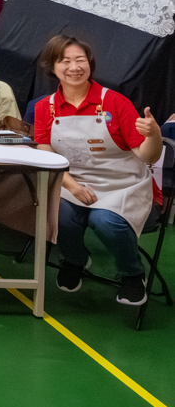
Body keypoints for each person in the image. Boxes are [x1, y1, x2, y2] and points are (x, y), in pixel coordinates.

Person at [33, 36, 162, 305]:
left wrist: (154, 135)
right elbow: (46, 154)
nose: (74, 67)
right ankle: (75, 260)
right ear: (52, 67)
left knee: (105, 220)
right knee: (56, 210)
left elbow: (148, 156)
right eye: (65, 61)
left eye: (80, 60)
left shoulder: (115, 102)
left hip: (124, 186)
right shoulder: (45, 107)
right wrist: (72, 186)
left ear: (90, 64)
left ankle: (132, 274)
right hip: (73, 182)